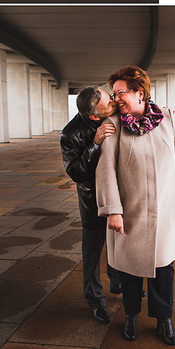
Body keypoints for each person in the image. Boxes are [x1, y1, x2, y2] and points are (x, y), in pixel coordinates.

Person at [95, 66, 175, 345]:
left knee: (164, 268)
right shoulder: (114, 125)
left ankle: (164, 318)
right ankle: (130, 316)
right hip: (129, 211)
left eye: (121, 93)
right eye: (114, 94)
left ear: (140, 92)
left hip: (163, 212)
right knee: (129, 271)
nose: (116, 99)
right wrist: (113, 211)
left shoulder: (168, 118)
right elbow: (105, 170)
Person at [59, 86, 117, 324]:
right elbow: (76, 173)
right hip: (93, 199)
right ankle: (95, 300)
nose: (114, 103)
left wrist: (171, 117)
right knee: (92, 251)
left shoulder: (113, 113)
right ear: (94, 116)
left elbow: (143, 109)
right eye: (109, 103)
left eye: (111, 97)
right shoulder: (70, 134)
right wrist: (94, 143)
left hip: (117, 193)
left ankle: (119, 283)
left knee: (118, 241)